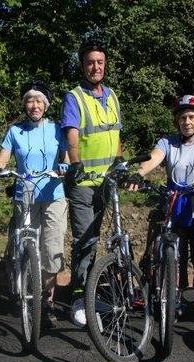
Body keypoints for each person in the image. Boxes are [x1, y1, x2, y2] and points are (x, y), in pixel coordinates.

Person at [127, 95, 194, 329]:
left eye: (191, 117)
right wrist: (138, 174)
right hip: (175, 209)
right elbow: (153, 159)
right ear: (177, 121)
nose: (187, 122)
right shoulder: (167, 142)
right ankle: (176, 300)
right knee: (176, 258)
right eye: (182, 118)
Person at [0, 80, 68, 324]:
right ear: (25, 105)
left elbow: (65, 155)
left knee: (52, 249)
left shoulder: (57, 128)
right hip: (25, 196)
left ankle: (48, 301)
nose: (34, 105)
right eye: (30, 100)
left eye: (39, 100)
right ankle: (22, 279)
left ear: (46, 105)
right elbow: (2, 159)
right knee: (26, 246)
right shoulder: (14, 131)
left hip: (53, 195)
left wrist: (64, 165)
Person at [61, 36, 123, 327]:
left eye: (99, 62)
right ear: (82, 66)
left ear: (105, 64)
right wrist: (75, 164)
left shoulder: (112, 96)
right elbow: (72, 134)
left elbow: (116, 135)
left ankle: (91, 290)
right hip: (84, 183)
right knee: (85, 241)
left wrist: (120, 165)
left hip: (107, 183)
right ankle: (77, 297)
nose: (95, 67)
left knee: (103, 240)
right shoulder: (74, 97)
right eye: (89, 63)